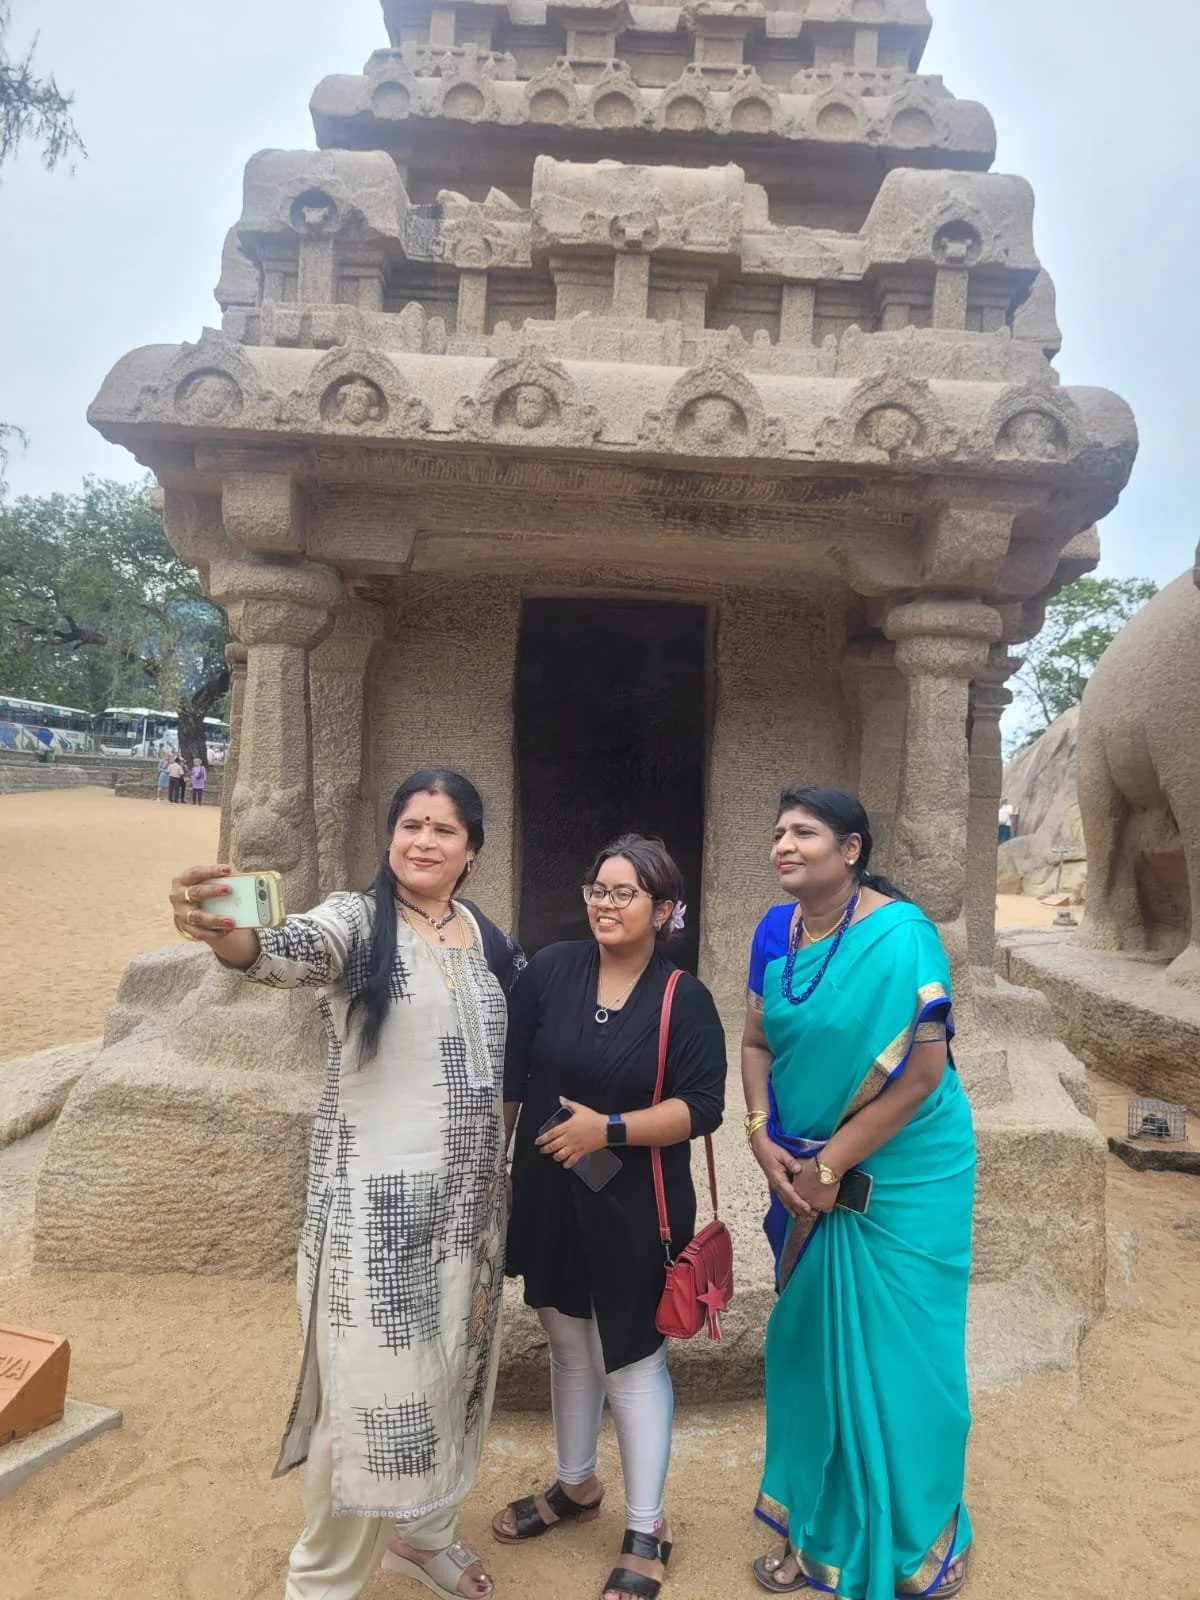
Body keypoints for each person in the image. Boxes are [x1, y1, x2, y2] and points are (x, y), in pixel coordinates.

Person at [169, 769, 525, 1600]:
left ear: (471, 849)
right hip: (378, 1221)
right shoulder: (358, 921)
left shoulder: (487, 938)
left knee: (453, 1379)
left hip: (467, 1220)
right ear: (390, 836)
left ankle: (423, 1537)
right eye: (411, 825)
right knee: (365, 1408)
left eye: (444, 829)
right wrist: (228, 932)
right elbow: (285, 951)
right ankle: (322, 1582)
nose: (424, 841)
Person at [742, 786, 975, 1600]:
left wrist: (830, 1166)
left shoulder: (905, 938)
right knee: (811, 1346)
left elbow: (919, 1075)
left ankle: (918, 1535)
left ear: (851, 849)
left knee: (903, 1352)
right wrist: (758, 1130)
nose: (784, 844)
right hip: (799, 1165)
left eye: (803, 832)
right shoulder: (775, 930)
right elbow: (755, 1038)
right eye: (777, 832)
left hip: (905, 1173)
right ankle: (812, 1525)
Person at [495, 835, 725, 1600]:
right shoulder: (552, 969)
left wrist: (610, 1129)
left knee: (629, 1356)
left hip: (634, 1203)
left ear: (664, 911)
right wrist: (497, 1167)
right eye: (598, 887)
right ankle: (575, 1485)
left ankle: (647, 1526)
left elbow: (702, 1109)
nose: (605, 903)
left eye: (625, 893)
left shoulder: (680, 998)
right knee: (564, 1333)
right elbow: (513, 1074)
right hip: (551, 1191)